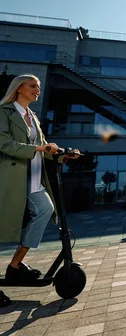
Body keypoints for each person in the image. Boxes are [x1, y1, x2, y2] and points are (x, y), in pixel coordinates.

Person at [0, 74, 80, 284]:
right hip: (10, 178)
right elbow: (5, 144)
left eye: (39, 86)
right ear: (18, 88)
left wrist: (63, 155)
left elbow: (44, 147)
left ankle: (15, 266)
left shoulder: (32, 115)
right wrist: (38, 148)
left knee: (45, 209)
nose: (37, 89)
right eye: (32, 86)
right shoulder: (4, 112)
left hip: (34, 178)